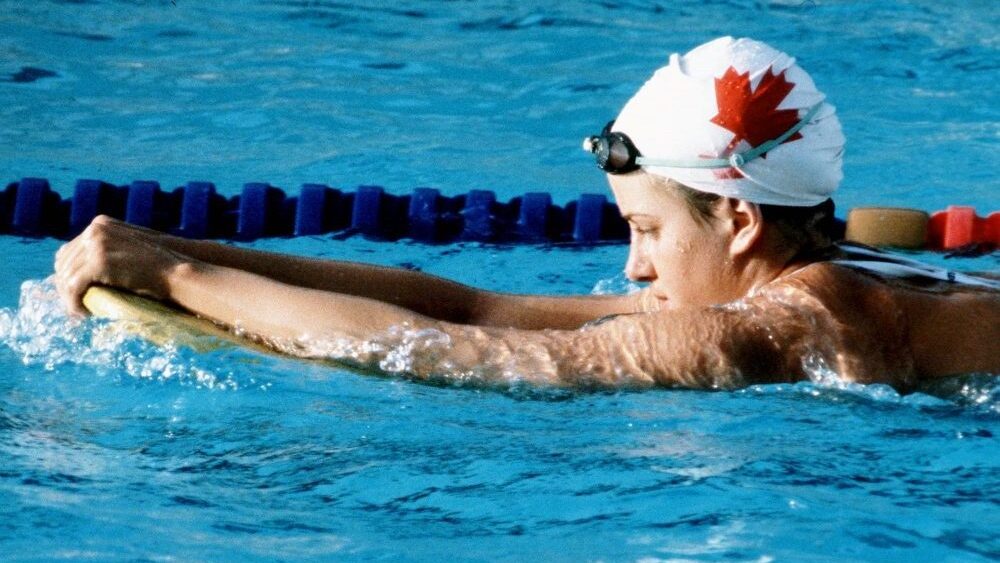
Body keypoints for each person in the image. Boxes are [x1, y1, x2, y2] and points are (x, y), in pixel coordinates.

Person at [52, 37, 999, 391]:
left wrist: (182, 284)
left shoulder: (788, 328)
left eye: (648, 230)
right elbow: (473, 306)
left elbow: (457, 356)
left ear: (742, 222)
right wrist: (160, 244)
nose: (633, 269)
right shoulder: (824, 283)